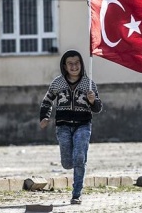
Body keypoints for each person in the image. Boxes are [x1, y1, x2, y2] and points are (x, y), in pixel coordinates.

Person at [39, 50, 103, 204]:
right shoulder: (57, 83)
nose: (74, 66)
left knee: (79, 157)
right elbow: (47, 101)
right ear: (65, 66)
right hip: (63, 127)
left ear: (81, 64)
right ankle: (74, 164)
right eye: (70, 63)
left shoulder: (89, 84)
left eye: (77, 63)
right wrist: (44, 117)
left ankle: (76, 193)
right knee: (68, 163)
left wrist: (93, 101)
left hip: (83, 125)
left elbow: (98, 108)